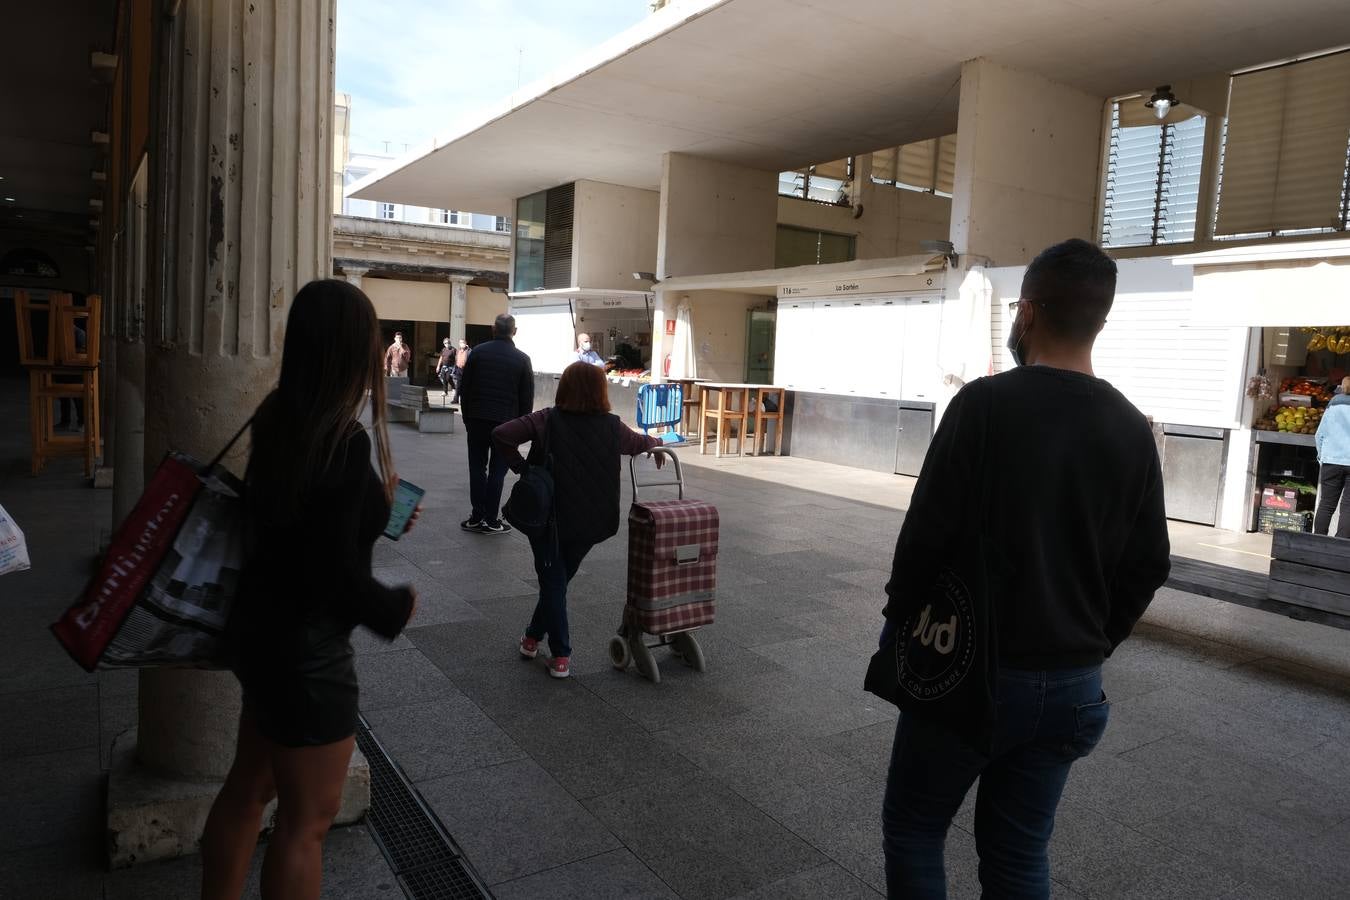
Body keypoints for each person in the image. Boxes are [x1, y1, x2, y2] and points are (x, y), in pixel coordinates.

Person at [880, 239, 1171, 899]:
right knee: (1018, 857)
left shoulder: (984, 406)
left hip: (970, 671)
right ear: (1099, 321)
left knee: (916, 827)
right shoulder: (1131, 427)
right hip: (1072, 687)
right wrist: (1093, 640)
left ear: (1029, 312)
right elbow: (1150, 562)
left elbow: (923, 539)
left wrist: (900, 629)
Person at [202, 280, 419, 900]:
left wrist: (377, 511)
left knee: (249, 790)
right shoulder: (342, 441)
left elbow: (301, 527)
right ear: (351, 351)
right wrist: (395, 605)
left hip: (261, 636)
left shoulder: (278, 417)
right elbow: (333, 575)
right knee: (307, 825)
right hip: (309, 656)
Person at [493, 361, 663, 677]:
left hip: (548, 518)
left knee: (553, 581)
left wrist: (523, 468)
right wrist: (657, 444)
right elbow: (640, 443)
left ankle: (560, 654)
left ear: (564, 387)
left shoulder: (546, 419)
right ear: (601, 391)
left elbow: (502, 434)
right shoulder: (613, 426)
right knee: (556, 580)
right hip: (592, 521)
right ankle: (532, 638)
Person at [458, 314, 533, 534]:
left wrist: (467, 418)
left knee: (476, 467)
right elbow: (526, 399)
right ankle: (491, 519)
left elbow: (465, 389)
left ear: (493, 329)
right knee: (497, 472)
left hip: (478, 420)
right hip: (506, 425)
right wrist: (521, 429)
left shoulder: (478, 353)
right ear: (514, 331)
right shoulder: (522, 359)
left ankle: (476, 516)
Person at [1313, 375, 1350, 537]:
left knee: (1326, 505)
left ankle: (1319, 541)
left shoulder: (1333, 404)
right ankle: (1340, 548)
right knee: (1348, 508)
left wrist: (1322, 456)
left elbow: (1320, 434)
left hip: (1331, 460)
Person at [451, 337, 470, 403]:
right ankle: (455, 399)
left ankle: (464, 400)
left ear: (466, 343)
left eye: (463, 343)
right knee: (457, 386)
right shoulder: (458, 351)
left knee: (464, 386)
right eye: (461, 343)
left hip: (465, 370)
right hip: (458, 369)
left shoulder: (469, 351)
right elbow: (456, 360)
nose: (462, 344)